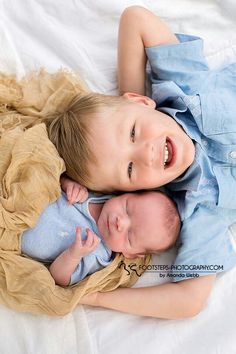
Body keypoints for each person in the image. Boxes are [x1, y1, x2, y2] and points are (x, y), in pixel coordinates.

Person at [44, 6, 236, 318]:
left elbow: (135, 18)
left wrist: (134, 101)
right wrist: (98, 298)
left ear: (140, 102)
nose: (147, 153)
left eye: (133, 132)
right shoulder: (199, 214)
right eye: (130, 170)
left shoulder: (183, 86)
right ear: (126, 193)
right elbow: (188, 301)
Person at [21, 185, 180, 287]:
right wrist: (68, 184)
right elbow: (58, 173)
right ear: (126, 194)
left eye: (129, 235)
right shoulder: (97, 192)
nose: (121, 223)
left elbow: (59, 278)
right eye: (127, 208)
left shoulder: (98, 254)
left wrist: (73, 255)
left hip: (16, 232)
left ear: (130, 253)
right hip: (22, 194)